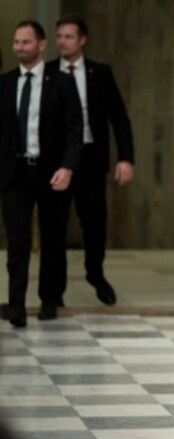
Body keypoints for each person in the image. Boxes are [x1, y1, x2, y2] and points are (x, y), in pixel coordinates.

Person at [47, 16, 134, 306]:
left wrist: (125, 157)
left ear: (82, 39)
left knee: (95, 223)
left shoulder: (100, 73)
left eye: (68, 36)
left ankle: (95, 274)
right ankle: (54, 289)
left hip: (91, 161)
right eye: (59, 36)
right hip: (56, 163)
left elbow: (118, 118)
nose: (62, 42)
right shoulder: (47, 74)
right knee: (55, 226)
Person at [0, 21, 82, 327]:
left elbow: (75, 129)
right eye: (16, 42)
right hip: (14, 175)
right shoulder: (5, 84)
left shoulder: (61, 81)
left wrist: (68, 166)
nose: (19, 47)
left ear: (41, 45)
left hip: (51, 173)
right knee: (17, 242)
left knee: (52, 239)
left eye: (26, 42)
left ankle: (48, 300)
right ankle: (16, 305)